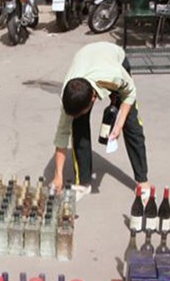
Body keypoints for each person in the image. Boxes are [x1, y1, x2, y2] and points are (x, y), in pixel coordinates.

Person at [52, 42, 149, 194]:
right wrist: (58, 175)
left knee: (132, 124)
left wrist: (119, 124)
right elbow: (62, 135)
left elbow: (130, 93)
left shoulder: (115, 76)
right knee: (78, 126)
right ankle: (83, 182)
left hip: (113, 57)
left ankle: (142, 180)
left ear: (93, 99)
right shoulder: (68, 94)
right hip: (85, 56)